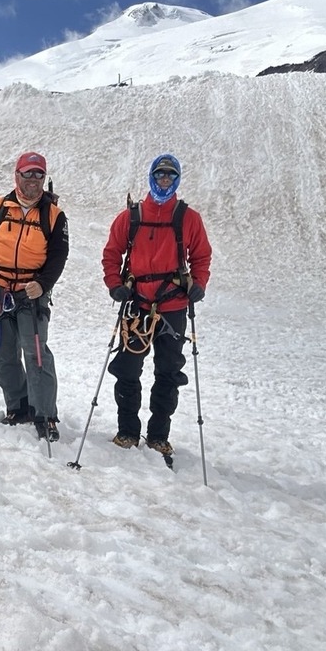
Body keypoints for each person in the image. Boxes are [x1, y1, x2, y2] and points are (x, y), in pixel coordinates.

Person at [101, 154, 212, 456]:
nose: (164, 180)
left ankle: (158, 436)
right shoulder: (131, 217)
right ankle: (127, 431)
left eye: (170, 176)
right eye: (160, 175)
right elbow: (112, 253)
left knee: (168, 371)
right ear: (152, 177)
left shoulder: (188, 218)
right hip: (137, 302)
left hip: (173, 304)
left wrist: (199, 283)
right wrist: (114, 283)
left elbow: (201, 255)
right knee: (128, 368)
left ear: (177, 180)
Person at [0, 152, 69, 442]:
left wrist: (43, 284)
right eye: (28, 173)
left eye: (39, 174)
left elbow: (58, 256)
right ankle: (18, 407)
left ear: (44, 178)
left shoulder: (54, 216)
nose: (33, 180)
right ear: (17, 175)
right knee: (4, 352)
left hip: (31, 294)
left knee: (36, 352)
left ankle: (44, 415)